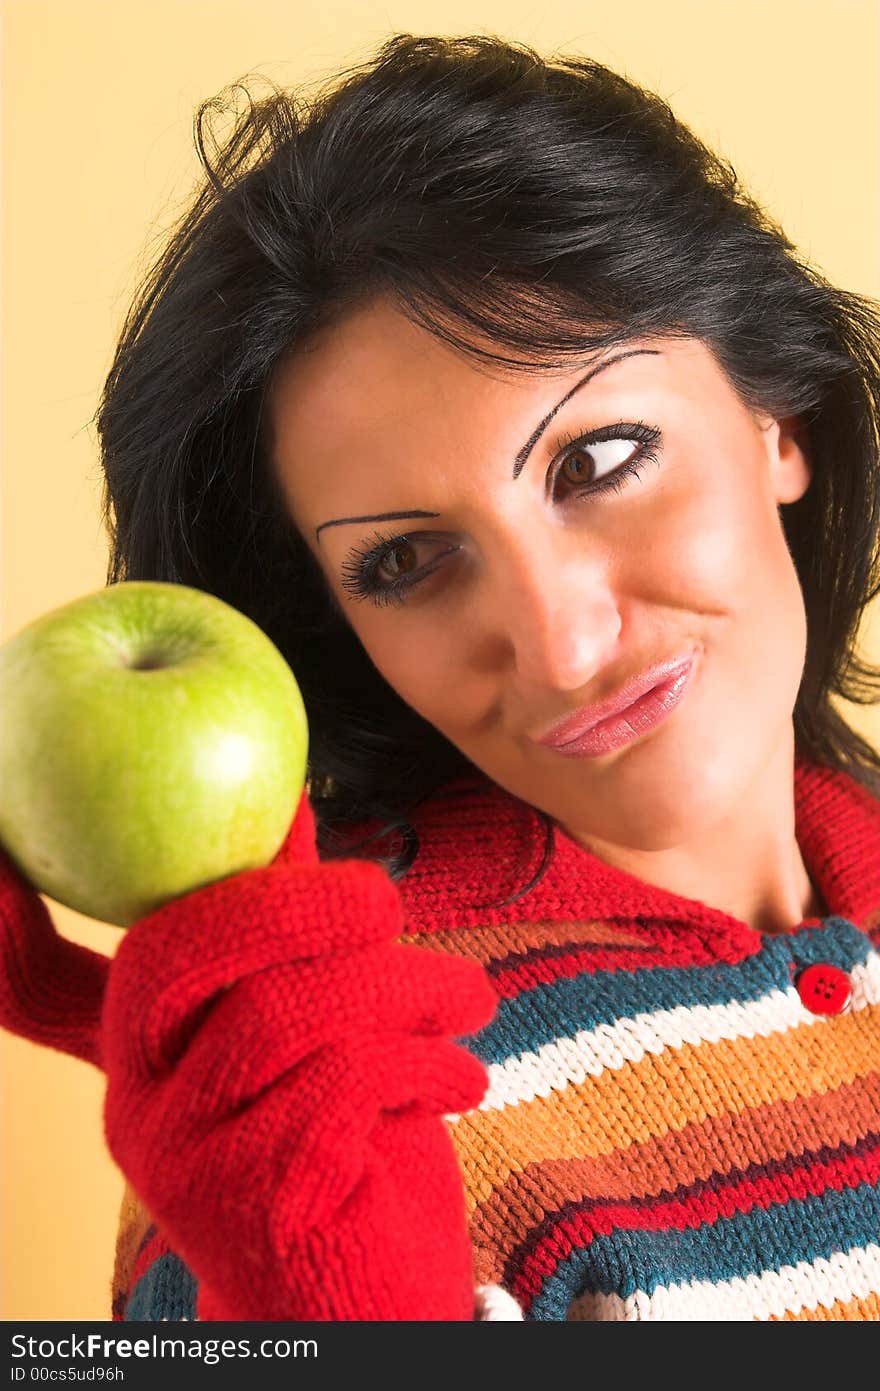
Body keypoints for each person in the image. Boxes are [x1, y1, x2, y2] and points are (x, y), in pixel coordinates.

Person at [2, 31, 880, 1322]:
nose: (562, 647)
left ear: (778, 422)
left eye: (601, 460)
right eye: (409, 562)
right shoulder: (325, 1080)